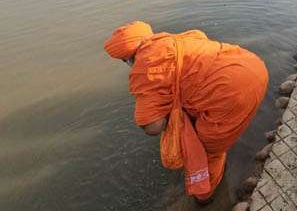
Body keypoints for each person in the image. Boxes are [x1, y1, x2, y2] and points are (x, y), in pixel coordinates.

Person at [103, 21, 269, 203]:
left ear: (126, 58)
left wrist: (166, 114)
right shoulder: (177, 39)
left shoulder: (145, 68)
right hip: (254, 66)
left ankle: (205, 196)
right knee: (207, 126)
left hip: (233, 92)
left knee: (208, 150)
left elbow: (153, 127)